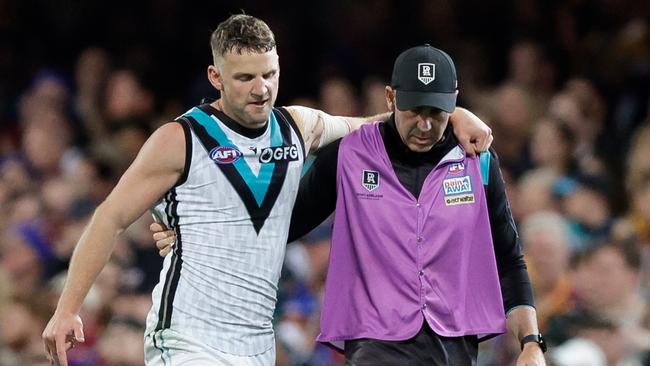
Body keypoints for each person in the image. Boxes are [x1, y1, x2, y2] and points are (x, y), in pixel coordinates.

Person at [42, 14, 492, 366]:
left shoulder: (298, 126)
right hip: (188, 334)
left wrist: (455, 114)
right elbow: (111, 217)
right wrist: (68, 308)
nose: (261, 90)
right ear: (215, 78)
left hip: (257, 340)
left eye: (269, 75)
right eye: (245, 78)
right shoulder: (180, 140)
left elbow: (385, 125)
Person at [285, 45, 546, 364]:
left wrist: (531, 343)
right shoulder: (349, 156)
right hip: (375, 347)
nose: (424, 125)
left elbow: (508, 259)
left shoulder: (478, 161)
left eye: (435, 112)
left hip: (456, 350)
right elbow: (285, 226)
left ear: (453, 101)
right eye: (414, 110)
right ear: (390, 98)